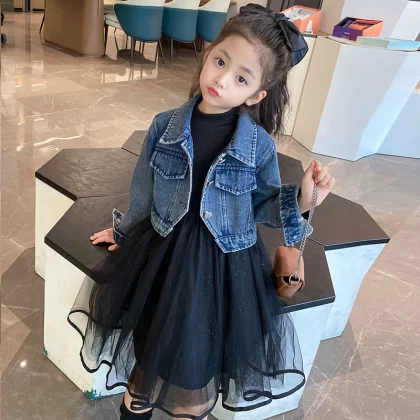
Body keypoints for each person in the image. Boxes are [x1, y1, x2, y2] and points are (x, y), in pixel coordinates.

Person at [68, 4, 335, 420]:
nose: (222, 80)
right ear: (208, 53)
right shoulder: (164, 126)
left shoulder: (258, 146)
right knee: (146, 362)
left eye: (242, 78)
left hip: (224, 269)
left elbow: (262, 205)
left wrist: (302, 199)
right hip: (162, 256)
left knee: (195, 374)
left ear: (256, 94)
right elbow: (144, 192)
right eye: (221, 61)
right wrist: (122, 234)